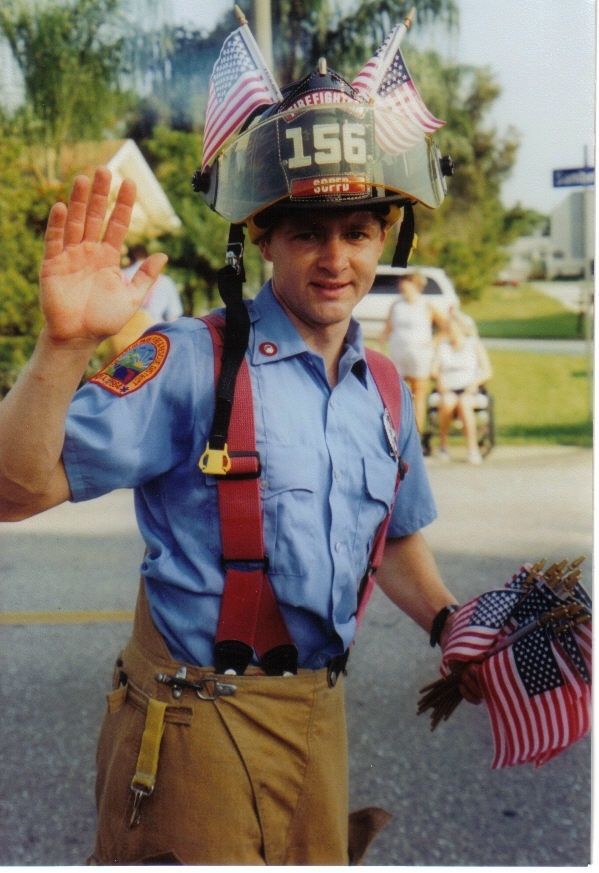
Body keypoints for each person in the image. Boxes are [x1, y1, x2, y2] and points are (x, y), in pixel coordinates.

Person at [0, 58, 480, 865]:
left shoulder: (387, 390)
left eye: (357, 232)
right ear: (260, 236)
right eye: (306, 233)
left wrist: (448, 621)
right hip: (195, 723)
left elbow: (391, 536)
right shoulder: (193, 361)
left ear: (385, 237)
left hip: (317, 716)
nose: (335, 259)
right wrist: (63, 346)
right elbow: (14, 491)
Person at [380, 272, 443, 438]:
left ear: (415, 286)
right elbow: (388, 328)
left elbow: (446, 327)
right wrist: (379, 345)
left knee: (419, 391)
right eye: (401, 287)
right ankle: (397, 432)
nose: (403, 289)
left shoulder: (426, 305)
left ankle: (417, 434)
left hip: (420, 354)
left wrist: (434, 342)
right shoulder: (396, 304)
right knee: (397, 391)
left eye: (406, 286)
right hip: (398, 352)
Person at [430, 311, 493, 464]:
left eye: (452, 328)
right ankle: (443, 445)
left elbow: (487, 371)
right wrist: (439, 380)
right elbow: (433, 370)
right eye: (447, 329)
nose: (449, 332)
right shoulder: (442, 346)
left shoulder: (474, 344)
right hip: (448, 388)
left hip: (469, 389)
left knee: (464, 403)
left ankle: (472, 449)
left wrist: (475, 383)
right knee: (447, 403)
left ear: (460, 328)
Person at [123, 243, 183, 324]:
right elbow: (173, 316)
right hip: (153, 332)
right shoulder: (165, 281)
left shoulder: (120, 276)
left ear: (129, 260)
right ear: (148, 257)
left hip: (123, 334)